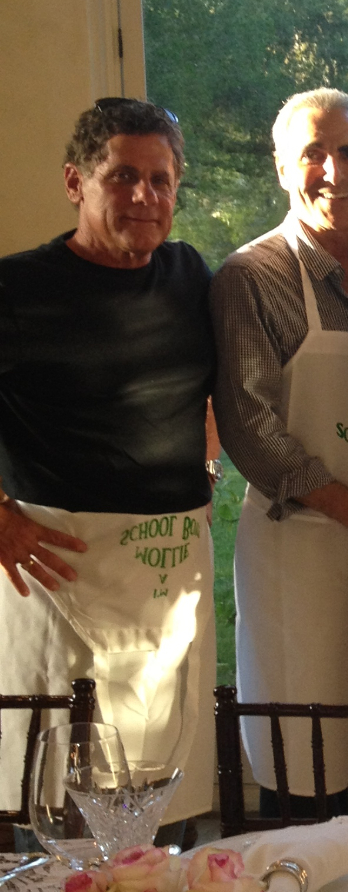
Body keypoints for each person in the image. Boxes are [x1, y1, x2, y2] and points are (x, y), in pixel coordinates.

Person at [0, 98, 217, 825]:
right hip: (60, 567)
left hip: (166, 577)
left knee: (158, 798)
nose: (144, 196)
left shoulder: (189, 276)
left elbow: (211, 395)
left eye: (160, 180)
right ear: (75, 183)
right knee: (62, 803)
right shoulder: (17, 289)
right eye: (123, 176)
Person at [212, 88, 348, 816]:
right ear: (282, 168)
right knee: (301, 755)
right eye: (313, 153)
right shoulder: (253, 275)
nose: (334, 169)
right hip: (297, 550)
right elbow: (250, 426)